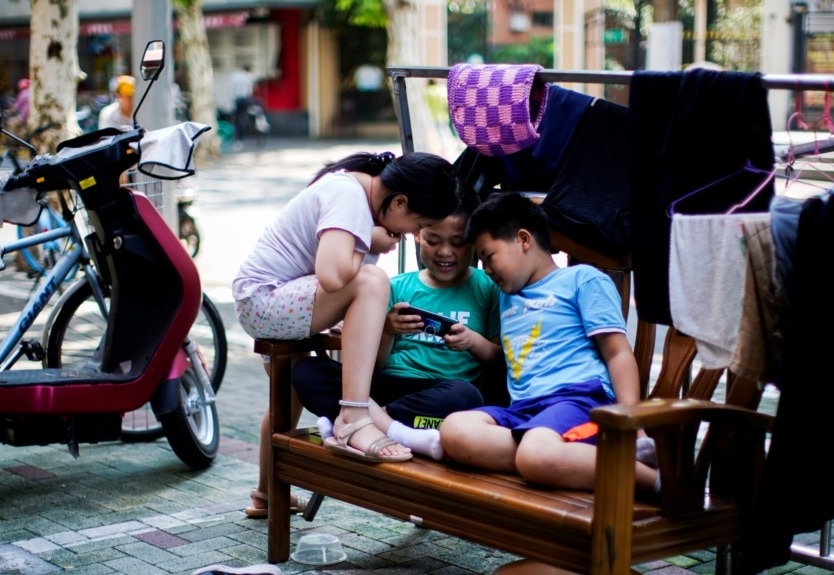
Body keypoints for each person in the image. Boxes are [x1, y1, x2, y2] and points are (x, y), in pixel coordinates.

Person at [232, 150, 460, 517]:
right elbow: (334, 275)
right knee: (373, 279)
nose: (411, 234)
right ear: (399, 202)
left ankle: (267, 495)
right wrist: (370, 241)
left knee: (285, 395)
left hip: (272, 297)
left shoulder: (358, 194)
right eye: (417, 223)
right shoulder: (349, 195)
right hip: (266, 299)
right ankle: (353, 417)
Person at [439, 192, 658, 494]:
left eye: (489, 257)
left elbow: (618, 353)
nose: (486, 270)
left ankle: (656, 482)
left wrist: (633, 424)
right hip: (526, 411)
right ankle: (555, 461)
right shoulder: (506, 296)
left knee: (535, 452)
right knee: (455, 430)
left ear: (524, 240)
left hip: (580, 401)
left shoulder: (582, 280)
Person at [289, 200, 504, 464]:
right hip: (386, 387)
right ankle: (391, 429)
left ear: (471, 241)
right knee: (306, 371)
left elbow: (497, 359)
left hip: (437, 396)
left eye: (457, 242)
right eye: (433, 241)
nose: (445, 252)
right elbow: (371, 366)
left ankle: (354, 422)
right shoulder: (395, 287)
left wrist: (471, 341)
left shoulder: (487, 288)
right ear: (417, 234)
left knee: (467, 397)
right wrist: (388, 330)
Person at [230, 65, 256, 142]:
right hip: (246, 99)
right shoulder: (249, 77)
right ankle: (250, 135)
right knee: (248, 116)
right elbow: (250, 91)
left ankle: (238, 138)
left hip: (237, 99)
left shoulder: (235, 76)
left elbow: (231, 90)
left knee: (237, 119)